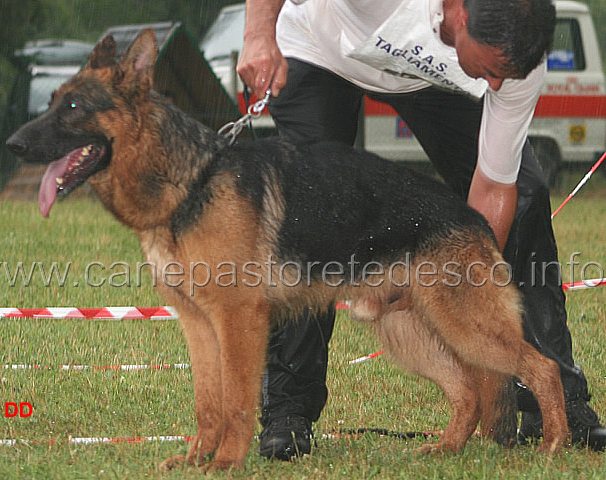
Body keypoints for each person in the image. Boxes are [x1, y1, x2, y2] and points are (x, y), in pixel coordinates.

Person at [237, 0, 606, 460]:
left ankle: (553, 401)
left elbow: (493, 187)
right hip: (321, 48)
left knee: (527, 195)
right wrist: (257, 33)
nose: (494, 85)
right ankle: (289, 411)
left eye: (502, 77)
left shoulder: (515, 61)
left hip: (431, 76)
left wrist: (456, 283)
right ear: (464, 19)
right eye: (490, 70)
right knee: (310, 209)